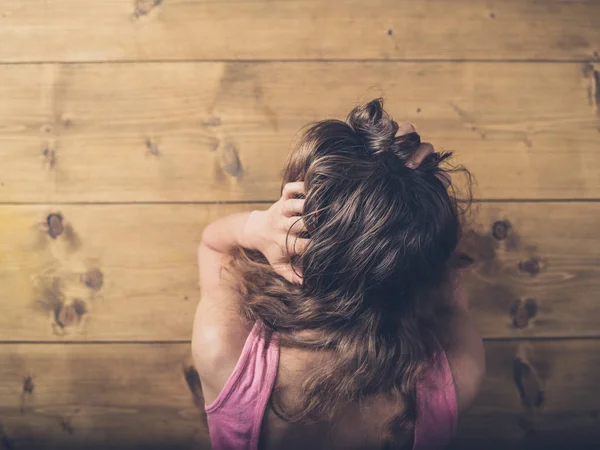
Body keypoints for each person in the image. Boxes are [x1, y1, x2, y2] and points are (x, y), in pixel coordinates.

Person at [192, 98, 485, 450]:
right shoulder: (460, 374)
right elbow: (449, 285)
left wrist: (257, 226)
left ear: (298, 248)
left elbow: (213, 246)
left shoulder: (224, 350)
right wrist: (426, 202)